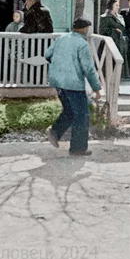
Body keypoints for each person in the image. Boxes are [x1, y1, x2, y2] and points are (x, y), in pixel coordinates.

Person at [45, 17, 102, 156]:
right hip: (73, 83)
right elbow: (88, 68)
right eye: (87, 28)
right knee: (82, 115)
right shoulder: (82, 44)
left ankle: (55, 131)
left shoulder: (62, 38)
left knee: (70, 110)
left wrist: (61, 64)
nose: (88, 31)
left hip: (58, 81)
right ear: (83, 28)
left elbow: (48, 55)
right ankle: (78, 148)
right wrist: (96, 88)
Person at [98, 0, 129, 79]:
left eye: (118, 5)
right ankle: (109, 90)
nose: (118, 7)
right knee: (109, 69)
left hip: (120, 45)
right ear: (111, 5)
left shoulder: (120, 17)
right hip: (109, 46)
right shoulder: (105, 17)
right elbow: (102, 31)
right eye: (116, 5)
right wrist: (115, 31)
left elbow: (123, 30)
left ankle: (116, 89)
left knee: (119, 69)